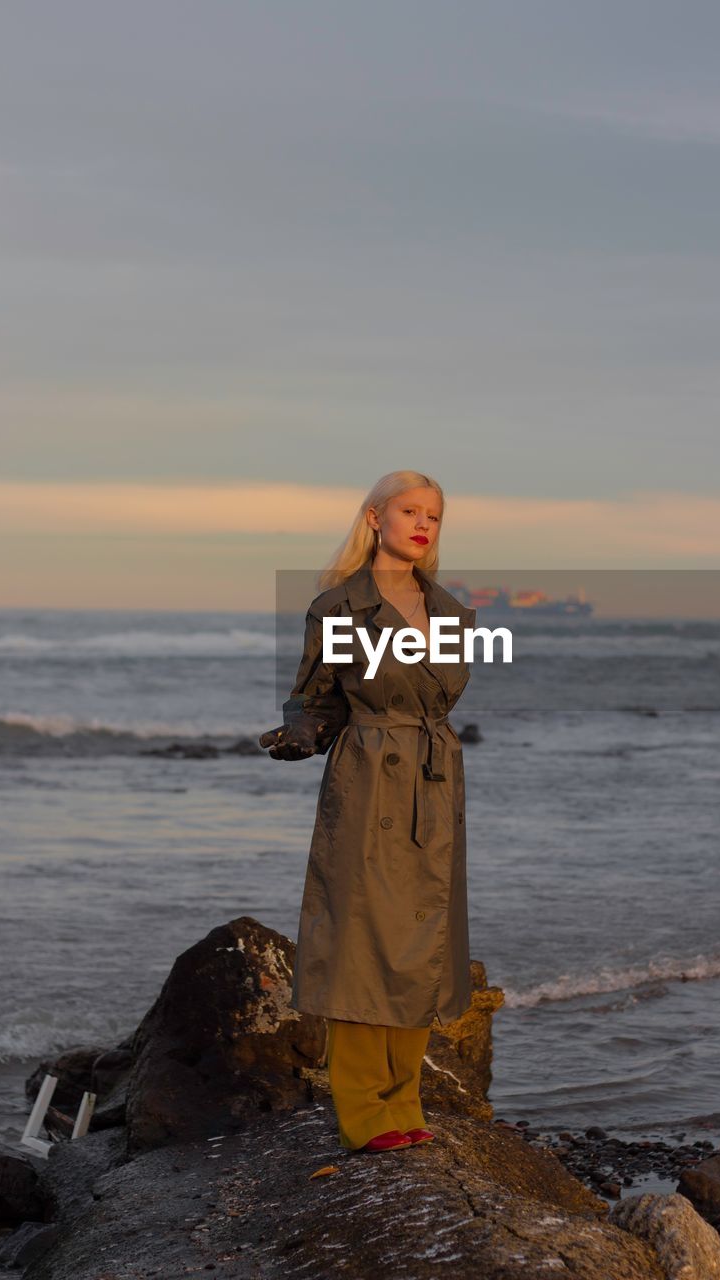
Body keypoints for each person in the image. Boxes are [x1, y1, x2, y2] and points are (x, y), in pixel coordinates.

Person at [259, 469, 477, 1154]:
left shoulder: (449, 609)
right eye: (409, 511)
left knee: (422, 944)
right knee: (359, 942)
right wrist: (300, 732)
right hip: (366, 780)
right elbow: (312, 695)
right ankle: (361, 1108)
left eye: (433, 516)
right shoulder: (336, 607)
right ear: (375, 518)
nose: (422, 524)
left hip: (434, 779)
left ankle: (404, 1100)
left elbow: (436, 699)